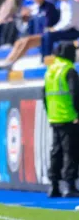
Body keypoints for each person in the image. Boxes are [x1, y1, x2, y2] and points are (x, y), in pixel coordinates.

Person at [44, 41, 79, 198]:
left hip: (54, 117)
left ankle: (54, 185)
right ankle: (69, 186)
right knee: (71, 153)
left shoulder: (51, 70)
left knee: (56, 152)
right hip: (69, 117)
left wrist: (50, 113)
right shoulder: (69, 70)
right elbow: (75, 94)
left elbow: (44, 95)